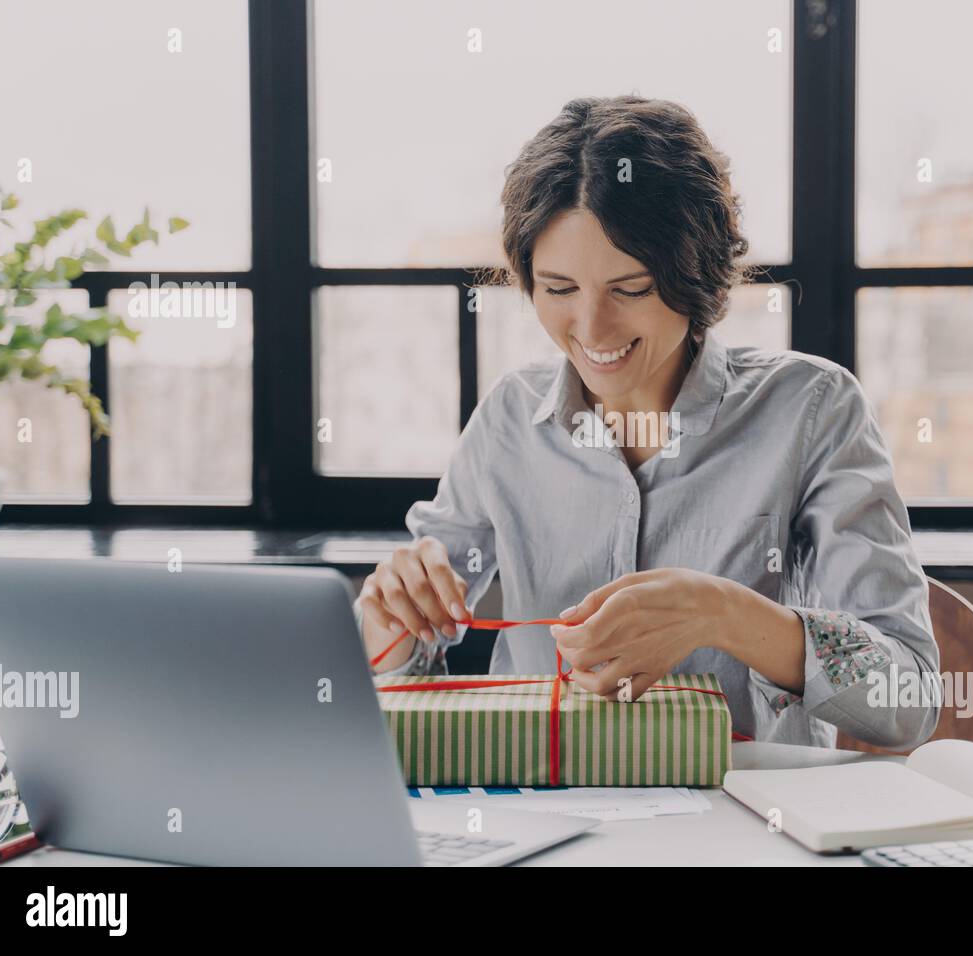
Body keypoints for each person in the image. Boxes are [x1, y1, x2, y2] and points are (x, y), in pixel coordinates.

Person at [356, 95, 940, 749]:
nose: (592, 329)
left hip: (742, 829)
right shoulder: (509, 420)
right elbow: (402, 673)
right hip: (542, 818)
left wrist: (721, 612)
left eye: (630, 289)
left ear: (695, 271)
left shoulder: (812, 409)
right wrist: (392, 619)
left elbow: (910, 695)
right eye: (558, 289)